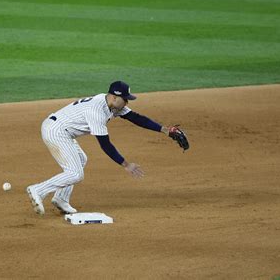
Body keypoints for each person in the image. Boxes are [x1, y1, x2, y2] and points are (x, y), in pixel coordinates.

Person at [26, 80, 182, 215]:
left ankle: (61, 199)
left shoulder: (112, 104)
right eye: (125, 99)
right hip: (56, 131)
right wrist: (125, 164)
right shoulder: (96, 111)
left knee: (81, 159)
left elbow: (136, 118)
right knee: (75, 173)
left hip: (62, 130)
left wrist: (165, 130)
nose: (127, 103)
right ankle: (38, 190)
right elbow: (105, 144)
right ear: (114, 97)